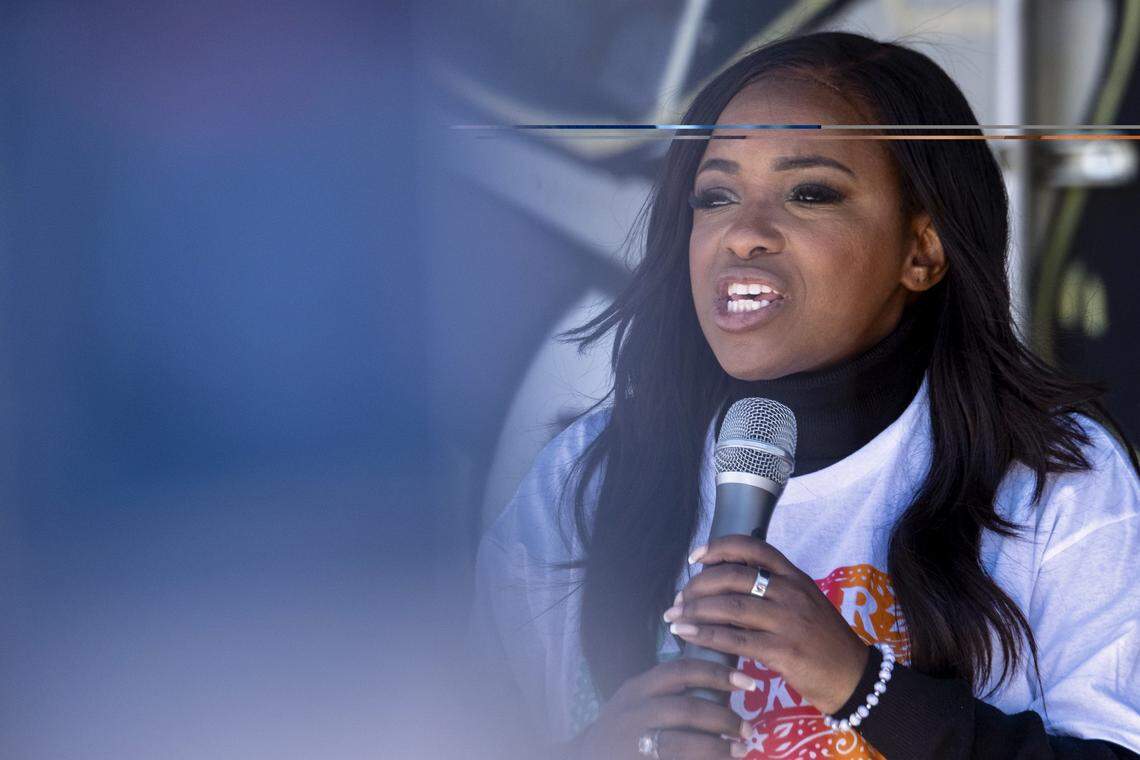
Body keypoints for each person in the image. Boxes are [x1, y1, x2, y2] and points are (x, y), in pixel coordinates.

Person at [462, 31, 1140, 759]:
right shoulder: (584, 478)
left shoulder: (1051, 478)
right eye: (715, 196)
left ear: (922, 249)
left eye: (809, 192)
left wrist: (865, 687)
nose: (743, 234)